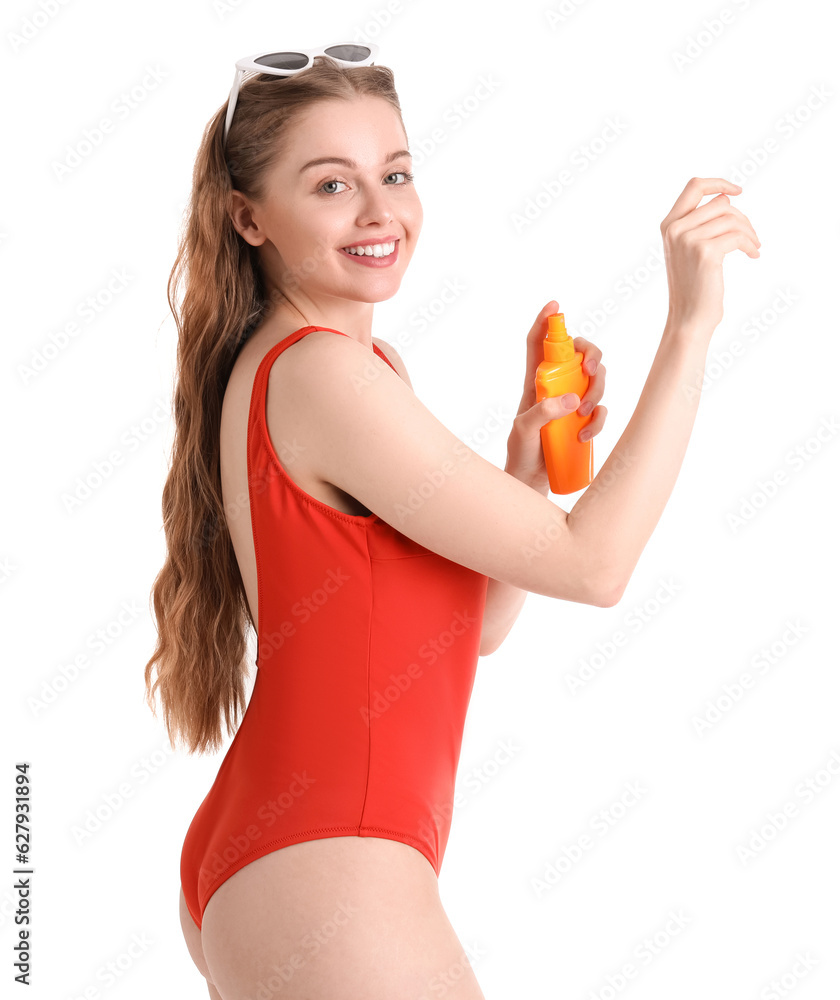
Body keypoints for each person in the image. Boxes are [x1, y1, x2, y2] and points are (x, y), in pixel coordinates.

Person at [143, 46, 760, 1000]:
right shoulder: (321, 373)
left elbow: (467, 634)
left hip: (296, 849)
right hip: (329, 857)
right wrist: (689, 327)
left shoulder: (358, 370)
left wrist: (522, 471)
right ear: (248, 217)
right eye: (331, 184)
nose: (380, 210)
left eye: (394, 173)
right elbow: (596, 569)